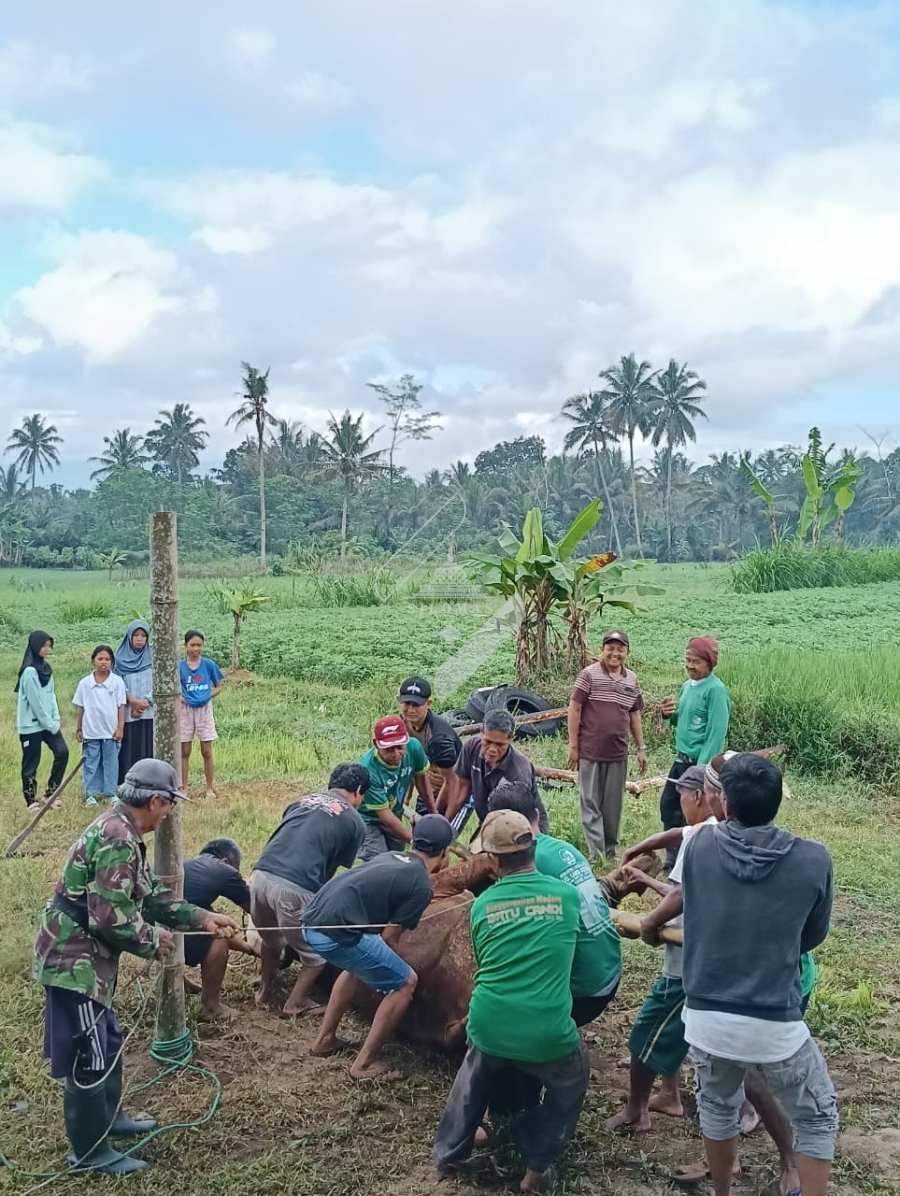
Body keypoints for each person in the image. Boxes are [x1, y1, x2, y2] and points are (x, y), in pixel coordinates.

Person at [32, 759, 239, 1175]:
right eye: (170, 804)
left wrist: (202, 918)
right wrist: (152, 940)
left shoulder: (123, 830)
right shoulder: (118, 838)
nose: (169, 813)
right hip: (73, 959)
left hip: (88, 956)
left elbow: (148, 897)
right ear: (155, 800)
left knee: (107, 1037)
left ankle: (110, 1119)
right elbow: (110, 918)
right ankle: (89, 1154)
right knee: (91, 1049)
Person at [623, 751, 816, 1194]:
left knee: (743, 1076)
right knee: (735, 1075)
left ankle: (777, 1161)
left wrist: (649, 923)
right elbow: (684, 838)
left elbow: (682, 894)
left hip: (746, 983)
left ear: (719, 798)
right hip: (775, 977)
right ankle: (762, 1160)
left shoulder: (715, 843)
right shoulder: (774, 843)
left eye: (708, 792)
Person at [677, 753, 837, 1196]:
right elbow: (812, 936)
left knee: (717, 1107)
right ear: (777, 801)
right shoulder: (813, 859)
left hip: (705, 1018)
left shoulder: (698, 847)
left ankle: (722, 1191)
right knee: (817, 1116)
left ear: (725, 803)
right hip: (773, 1022)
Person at [433, 810, 589, 1193]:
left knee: (472, 1076)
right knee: (574, 1074)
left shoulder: (481, 906)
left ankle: (449, 1152)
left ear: (492, 859)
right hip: (548, 1033)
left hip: (488, 1025)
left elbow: (486, 961)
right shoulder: (568, 897)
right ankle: (537, 1166)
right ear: (533, 846)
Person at [606, 766, 717, 1134]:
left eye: (682, 797)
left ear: (698, 796)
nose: (679, 805)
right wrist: (642, 847)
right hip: (704, 958)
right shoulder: (716, 827)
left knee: (646, 1032)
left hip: (687, 960)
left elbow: (681, 896)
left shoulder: (701, 841)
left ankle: (636, 1111)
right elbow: (677, 833)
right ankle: (670, 1094)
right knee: (681, 1026)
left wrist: (649, 921)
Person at [305, 814, 452, 1080]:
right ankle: (363, 1064)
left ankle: (325, 1040)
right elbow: (389, 939)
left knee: (356, 966)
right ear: (445, 852)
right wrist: (393, 974)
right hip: (334, 933)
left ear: (413, 841)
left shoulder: (390, 856)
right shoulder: (421, 885)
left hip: (310, 923)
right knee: (405, 982)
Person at [488, 780, 621, 1027]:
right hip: (610, 971)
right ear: (536, 814)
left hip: (583, 992)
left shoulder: (524, 867)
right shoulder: (565, 849)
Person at [251, 763, 368, 1016]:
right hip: (294, 887)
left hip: (259, 877)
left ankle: (264, 990)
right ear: (359, 790)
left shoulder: (301, 800)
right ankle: (295, 1003)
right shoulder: (355, 821)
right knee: (317, 953)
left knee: (271, 941)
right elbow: (329, 872)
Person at [567, 629, 648, 860]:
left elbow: (634, 715)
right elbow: (574, 708)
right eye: (610, 648)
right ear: (601, 650)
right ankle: (597, 853)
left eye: (620, 649)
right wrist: (574, 746)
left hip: (618, 752)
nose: (615, 653)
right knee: (590, 802)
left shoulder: (631, 679)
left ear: (627, 653)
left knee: (613, 805)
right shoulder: (588, 675)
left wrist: (641, 748)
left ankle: (610, 851)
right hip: (590, 751)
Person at [658, 635, 730, 862]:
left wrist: (702, 771)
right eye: (688, 660)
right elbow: (683, 720)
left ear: (710, 664)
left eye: (696, 662)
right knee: (669, 805)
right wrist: (668, 715)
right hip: (680, 760)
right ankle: (673, 858)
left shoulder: (716, 690)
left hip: (698, 764)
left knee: (695, 813)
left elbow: (716, 733)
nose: (690, 666)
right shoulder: (686, 687)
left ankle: (690, 858)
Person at [439, 708, 549, 836]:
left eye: (500, 745)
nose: (492, 749)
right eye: (488, 742)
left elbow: (513, 819)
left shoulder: (518, 771)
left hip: (522, 828)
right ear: (481, 732)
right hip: (490, 820)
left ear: (511, 738)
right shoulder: (471, 747)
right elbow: (462, 789)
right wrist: (445, 826)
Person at [183, 838, 255, 1021]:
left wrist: (249, 950)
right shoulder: (222, 869)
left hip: (151, 930)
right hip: (172, 930)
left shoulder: (191, 865)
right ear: (225, 861)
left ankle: (180, 984)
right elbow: (255, 909)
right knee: (219, 936)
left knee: (214, 920)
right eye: (236, 868)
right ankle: (211, 1008)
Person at [357, 715, 435, 859]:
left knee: (397, 859)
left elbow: (422, 780)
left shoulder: (414, 747)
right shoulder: (367, 770)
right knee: (379, 862)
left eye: (399, 747)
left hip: (394, 813)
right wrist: (412, 840)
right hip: (368, 820)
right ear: (376, 744)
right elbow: (384, 815)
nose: (395, 754)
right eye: (388, 749)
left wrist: (433, 814)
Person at [16, 630, 69, 809]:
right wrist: (50, 724)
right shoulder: (29, 672)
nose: (47, 649)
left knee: (62, 752)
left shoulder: (46, 669)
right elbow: (35, 703)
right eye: (43, 646)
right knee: (31, 763)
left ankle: (51, 794)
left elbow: (51, 696)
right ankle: (31, 801)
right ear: (35, 646)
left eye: (49, 646)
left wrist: (56, 719)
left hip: (49, 724)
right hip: (31, 726)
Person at [73, 646, 127, 807]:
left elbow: (121, 706)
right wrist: (79, 728)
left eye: (107, 659)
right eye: (100, 659)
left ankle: (110, 793)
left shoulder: (117, 682)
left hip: (110, 732)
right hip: (91, 732)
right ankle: (91, 794)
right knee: (91, 763)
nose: (104, 662)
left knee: (111, 763)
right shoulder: (85, 683)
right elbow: (81, 707)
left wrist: (120, 728)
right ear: (93, 661)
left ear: (112, 662)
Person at [397, 675, 463, 805]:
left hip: (457, 792)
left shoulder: (439, 739)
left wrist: (434, 812)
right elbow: (411, 761)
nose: (411, 710)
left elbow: (453, 782)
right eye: (407, 703)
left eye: (416, 705)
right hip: (431, 790)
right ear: (399, 700)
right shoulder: (404, 724)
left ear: (429, 704)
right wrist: (406, 799)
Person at [180, 630, 224, 799]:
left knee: (206, 750)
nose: (196, 649)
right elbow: (174, 689)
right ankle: (183, 788)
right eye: (192, 645)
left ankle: (209, 788)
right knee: (184, 750)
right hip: (185, 710)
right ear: (185, 645)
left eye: (199, 645)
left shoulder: (209, 665)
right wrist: (182, 699)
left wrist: (207, 696)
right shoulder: (179, 667)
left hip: (204, 710)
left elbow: (218, 687)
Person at [113, 619, 153, 783]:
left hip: (150, 712)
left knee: (148, 747)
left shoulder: (154, 657)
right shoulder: (119, 659)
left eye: (143, 635)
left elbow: (160, 682)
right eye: (136, 635)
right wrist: (133, 701)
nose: (139, 639)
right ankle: (127, 783)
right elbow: (117, 684)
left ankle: (148, 782)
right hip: (128, 712)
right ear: (129, 637)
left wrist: (145, 702)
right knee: (129, 748)